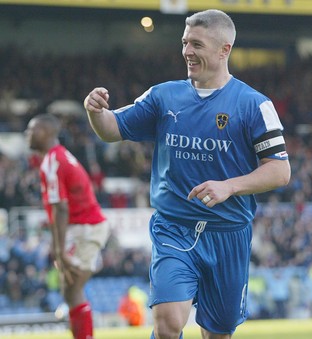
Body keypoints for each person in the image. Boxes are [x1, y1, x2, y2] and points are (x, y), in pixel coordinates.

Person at [84, 9, 291, 339]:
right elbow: (112, 129)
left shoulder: (254, 105)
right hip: (174, 227)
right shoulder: (164, 96)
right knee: (167, 324)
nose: (187, 52)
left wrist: (230, 187)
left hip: (228, 233)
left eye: (197, 44)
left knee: (217, 333)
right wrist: (96, 112)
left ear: (225, 49)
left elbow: (280, 171)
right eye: (184, 43)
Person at [25, 113, 110, 339]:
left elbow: (60, 208)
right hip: (82, 227)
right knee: (70, 290)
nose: (27, 134)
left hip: (86, 227)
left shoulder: (53, 161)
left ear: (46, 132)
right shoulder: (58, 156)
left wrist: (59, 249)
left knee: (72, 289)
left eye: (31, 130)